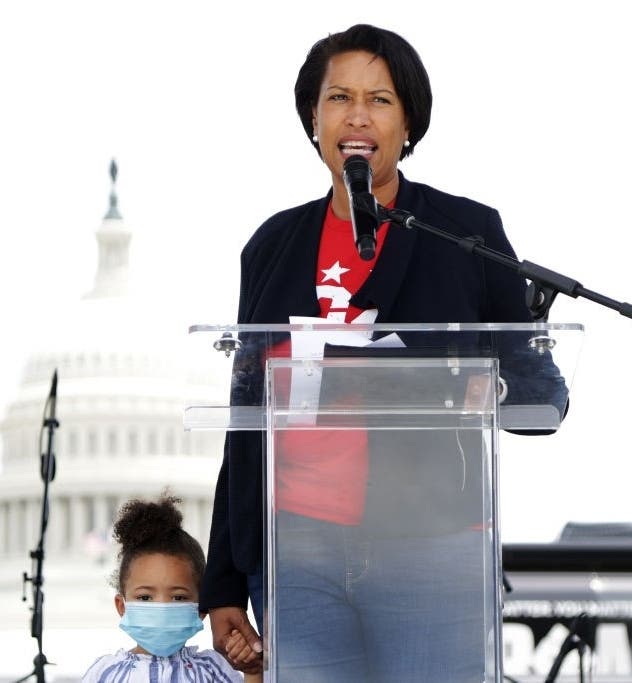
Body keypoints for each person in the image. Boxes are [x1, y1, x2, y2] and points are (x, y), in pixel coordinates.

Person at [200, 23, 568, 682]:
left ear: (409, 123)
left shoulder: (464, 234)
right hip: (297, 552)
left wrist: (491, 388)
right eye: (338, 97)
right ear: (313, 117)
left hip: (430, 549)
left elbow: (542, 396)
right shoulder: (271, 245)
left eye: (381, 99)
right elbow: (243, 418)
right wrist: (223, 579)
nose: (358, 115)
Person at [81, 492, 260, 682]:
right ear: (122, 606)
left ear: (201, 608)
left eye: (178, 597)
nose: (163, 608)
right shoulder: (105, 673)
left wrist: (252, 669)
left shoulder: (213, 669)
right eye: (145, 597)